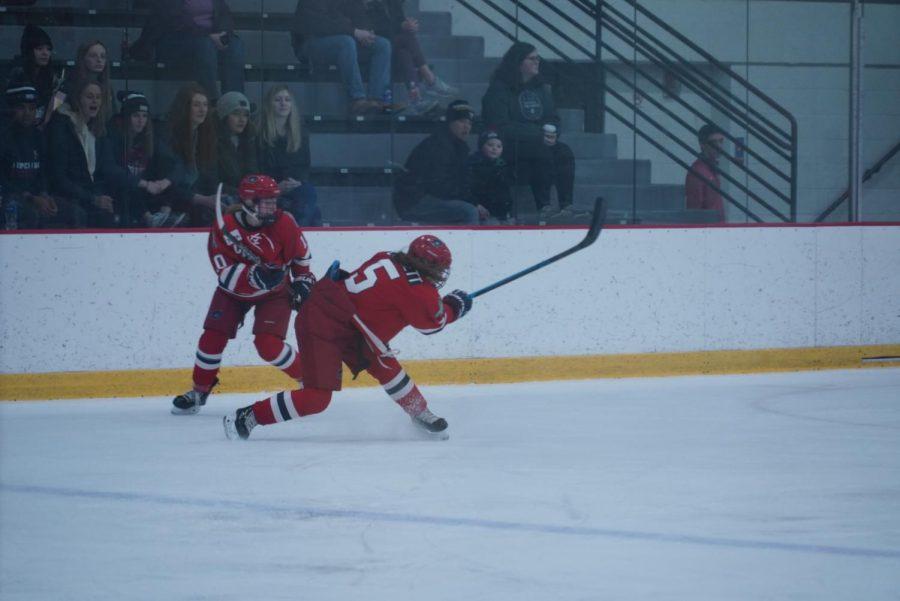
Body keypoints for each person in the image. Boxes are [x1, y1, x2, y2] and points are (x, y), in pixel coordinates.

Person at [223, 234, 473, 440]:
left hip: (346, 320)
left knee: (383, 362)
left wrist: (440, 304)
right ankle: (247, 417)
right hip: (324, 324)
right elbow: (432, 325)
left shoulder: (386, 257)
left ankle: (419, 413)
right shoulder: (420, 292)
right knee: (317, 398)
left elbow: (387, 298)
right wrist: (455, 305)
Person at [171, 174, 316, 415]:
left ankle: (310, 379)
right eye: (265, 201)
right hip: (233, 292)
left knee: (268, 345)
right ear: (248, 202)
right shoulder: (224, 227)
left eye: (273, 200)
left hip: (275, 291)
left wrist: (302, 282)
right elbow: (223, 271)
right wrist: (252, 276)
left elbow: (301, 258)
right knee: (211, 339)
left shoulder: (284, 223)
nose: (272, 206)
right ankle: (199, 391)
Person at [481, 41, 580, 222]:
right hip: (510, 148)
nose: (537, 62)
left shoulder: (540, 88)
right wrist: (537, 134)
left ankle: (567, 206)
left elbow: (552, 117)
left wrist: (553, 132)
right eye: (532, 59)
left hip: (539, 142)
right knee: (541, 151)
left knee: (564, 151)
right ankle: (544, 206)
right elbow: (499, 125)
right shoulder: (499, 89)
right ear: (519, 62)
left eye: (538, 58)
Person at [0, 84, 84, 229]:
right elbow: (3, 182)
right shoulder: (4, 137)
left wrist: (45, 195)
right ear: (11, 110)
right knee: (32, 214)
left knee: (77, 213)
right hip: (10, 199)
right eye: (22, 108)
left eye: (31, 108)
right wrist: (31, 198)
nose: (27, 113)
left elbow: (44, 173)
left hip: (37, 197)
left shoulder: (39, 137)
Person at [292, 0, 393, 115]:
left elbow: (357, 15)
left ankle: (376, 100)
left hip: (341, 38)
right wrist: (354, 32)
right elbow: (320, 25)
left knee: (382, 45)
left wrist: (366, 32)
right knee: (346, 42)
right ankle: (357, 100)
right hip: (309, 43)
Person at [130, 0, 245, 99]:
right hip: (177, 40)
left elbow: (224, 13)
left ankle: (233, 103)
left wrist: (223, 33)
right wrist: (208, 36)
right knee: (205, 46)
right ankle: (210, 102)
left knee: (235, 45)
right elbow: (175, 20)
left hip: (209, 39)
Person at [46, 79, 121, 227]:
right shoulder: (62, 127)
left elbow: (99, 174)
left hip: (87, 196)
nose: (94, 101)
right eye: (89, 96)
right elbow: (58, 178)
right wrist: (93, 199)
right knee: (79, 215)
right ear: (78, 99)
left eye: (98, 97)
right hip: (66, 198)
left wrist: (101, 198)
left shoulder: (96, 131)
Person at [106, 91, 186, 228]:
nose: (141, 121)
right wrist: (144, 184)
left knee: (173, 182)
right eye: (136, 116)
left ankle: (164, 215)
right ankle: (150, 219)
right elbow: (112, 171)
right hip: (124, 196)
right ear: (126, 118)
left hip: (148, 193)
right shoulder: (113, 138)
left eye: (144, 116)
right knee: (128, 186)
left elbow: (176, 165)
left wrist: (165, 182)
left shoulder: (152, 140)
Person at [393, 100, 480, 225]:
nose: (466, 127)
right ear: (450, 122)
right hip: (415, 201)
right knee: (469, 211)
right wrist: (471, 202)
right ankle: (470, 245)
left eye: (469, 123)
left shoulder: (456, 145)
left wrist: (473, 200)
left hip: (428, 197)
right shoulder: (439, 146)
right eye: (461, 121)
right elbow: (439, 186)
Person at [365, 0, 456, 115]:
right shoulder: (368, 3)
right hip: (371, 45)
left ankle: (417, 98)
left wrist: (409, 27)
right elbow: (371, 27)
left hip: (393, 48)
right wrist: (401, 26)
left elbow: (398, 26)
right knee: (406, 40)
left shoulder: (393, 3)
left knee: (404, 53)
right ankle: (430, 80)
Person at [257, 85, 322, 227]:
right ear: (269, 105)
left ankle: (298, 232)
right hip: (268, 189)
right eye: (278, 100)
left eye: (287, 100)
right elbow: (258, 168)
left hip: (293, 185)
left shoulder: (300, 133)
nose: (283, 103)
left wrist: (296, 182)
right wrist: (276, 186)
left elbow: (305, 165)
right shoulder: (259, 133)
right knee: (312, 210)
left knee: (308, 192)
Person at [165, 83, 219, 226]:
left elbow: (208, 175)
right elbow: (170, 183)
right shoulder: (169, 137)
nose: (202, 110)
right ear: (185, 107)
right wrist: (202, 199)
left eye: (205, 105)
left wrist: (216, 196)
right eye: (196, 105)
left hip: (194, 197)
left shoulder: (205, 137)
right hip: (171, 201)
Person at [2, 25, 63, 127]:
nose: (45, 53)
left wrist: (48, 115)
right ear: (29, 50)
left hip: (43, 129)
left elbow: (61, 95)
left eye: (48, 49)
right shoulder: (16, 74)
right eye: (39, 49)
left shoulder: (51, 77)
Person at [463, 130, 514, 224]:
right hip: (482, 211)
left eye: (499, 146)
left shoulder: (502, 166)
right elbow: (467, 189)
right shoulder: (473, 165)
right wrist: (476, 205)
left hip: (501, 213)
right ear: (481, 146)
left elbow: (505, 192)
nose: (494, 148)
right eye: (490, 145)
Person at [62, 41, 115, 128]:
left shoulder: (108, 87)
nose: (99, 60)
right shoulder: (68, 84)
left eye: (103, 56)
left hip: (101, 134)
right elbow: (55, 106)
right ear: (83, 58)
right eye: (93, 56)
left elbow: (111, 115)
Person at [215, 91, 258, 196]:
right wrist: (241, 193)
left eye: (245, 115)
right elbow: (211, 183)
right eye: (236, 114)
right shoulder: (212, 143)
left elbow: (253, 175)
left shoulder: (249, 141)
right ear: (224, 117)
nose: (242, 119)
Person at [685, 123, 726, 222]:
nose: (719, 146)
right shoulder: (698, 172)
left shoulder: (711, 169)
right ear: (702, 145)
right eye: (713, 142)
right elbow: (694, 212)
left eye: (721, 141)